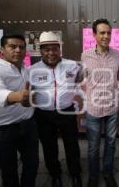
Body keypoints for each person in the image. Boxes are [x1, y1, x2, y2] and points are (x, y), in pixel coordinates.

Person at [0, 34, 39, 187]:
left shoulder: (25, 69)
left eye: (21, 47)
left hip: (27, 125)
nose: (18, 50)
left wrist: (31, 100)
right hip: (2, 130)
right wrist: (18, 96)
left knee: (32, 165)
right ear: (2, 50)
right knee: (9, 172)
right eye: (12, 46)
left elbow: (30, 94)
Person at [30, 31, 82, 187]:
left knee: (72, 145)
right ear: (41, 51)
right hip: (44, 115)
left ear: (60, 49)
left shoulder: (72, 65)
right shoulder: (32, 70)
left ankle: (75, 174)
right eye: (46, 49)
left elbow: (80, 80)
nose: (51, 52)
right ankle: (55, 175)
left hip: (67, 112)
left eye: (54, 48)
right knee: (49, 147)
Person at [81, 18, 119, 187]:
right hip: (93, 109)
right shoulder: (86, 55)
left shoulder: (116, 55)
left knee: (111, 143)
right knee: (93, 146)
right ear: (94, 35)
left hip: (112, 107)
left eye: (108, 33)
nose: (106, 36)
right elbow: (82, 76)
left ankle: (107, 172)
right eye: (102, 33)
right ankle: (93, 176)